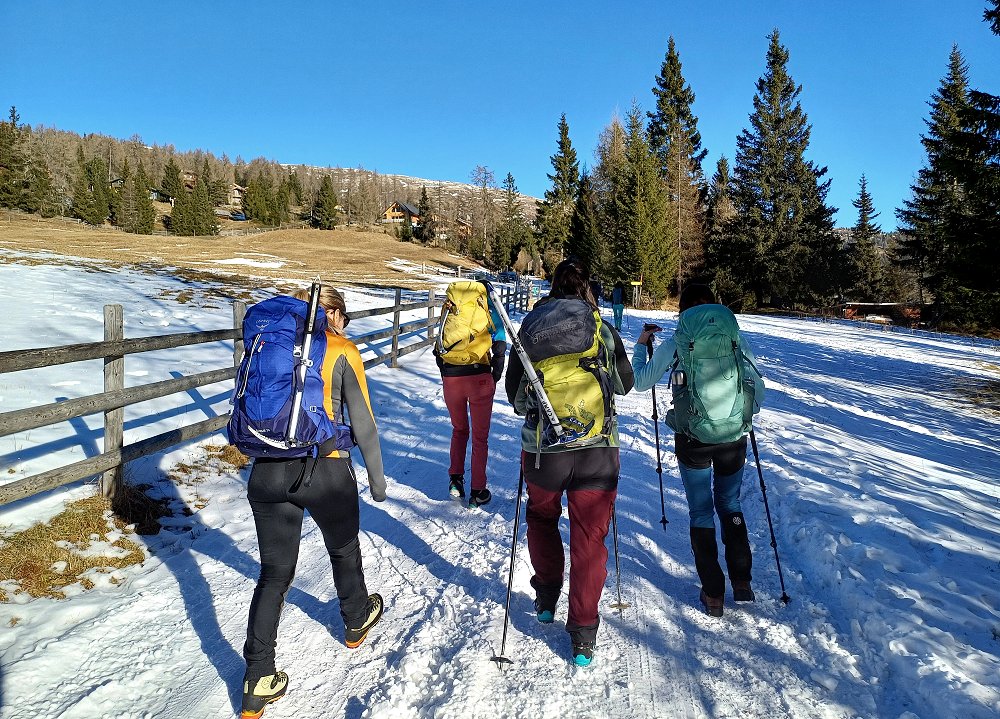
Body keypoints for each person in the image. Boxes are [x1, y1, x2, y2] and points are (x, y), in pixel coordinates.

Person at [241, 285, 387, 719]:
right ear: (336, 315)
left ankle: (257, 679)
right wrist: (377, 483)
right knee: (342, 548)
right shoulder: (341, 348)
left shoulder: (269, 346)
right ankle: (356, 618)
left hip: (266, 471)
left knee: (273, 574)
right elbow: (364, 421)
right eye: (345, 317)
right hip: (324, 470)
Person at [505, 258, 634, 667]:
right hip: (597, 451)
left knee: (542, 520)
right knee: (589, 539)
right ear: (586, 289)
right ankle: (582, 634)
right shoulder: (600, 327)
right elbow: (626, 384)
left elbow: (515, 396)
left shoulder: (530, 328)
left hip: (546, 454)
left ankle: (545, 599)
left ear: (552, 287)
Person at [631, 283, 765, 618]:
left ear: (684, 310)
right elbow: (757, 386)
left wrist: (640, 346)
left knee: (701, 512)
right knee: (730, 503)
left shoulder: (680, 339)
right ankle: (742, 581)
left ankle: (713, 593)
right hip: (734, 436)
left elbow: (641, 381)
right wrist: (745, 414)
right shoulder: (734, 337)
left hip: (693, 439)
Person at [435, 281, 507, 507]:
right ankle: (478, 490)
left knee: (459, 429)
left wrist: (446, 370)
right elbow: (500, 340)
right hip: (479, 377)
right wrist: (496, 370)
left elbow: (439, 341)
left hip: (452, 377)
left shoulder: (452, 304)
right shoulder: (485, 304)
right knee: (480, 437)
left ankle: (455, 481)